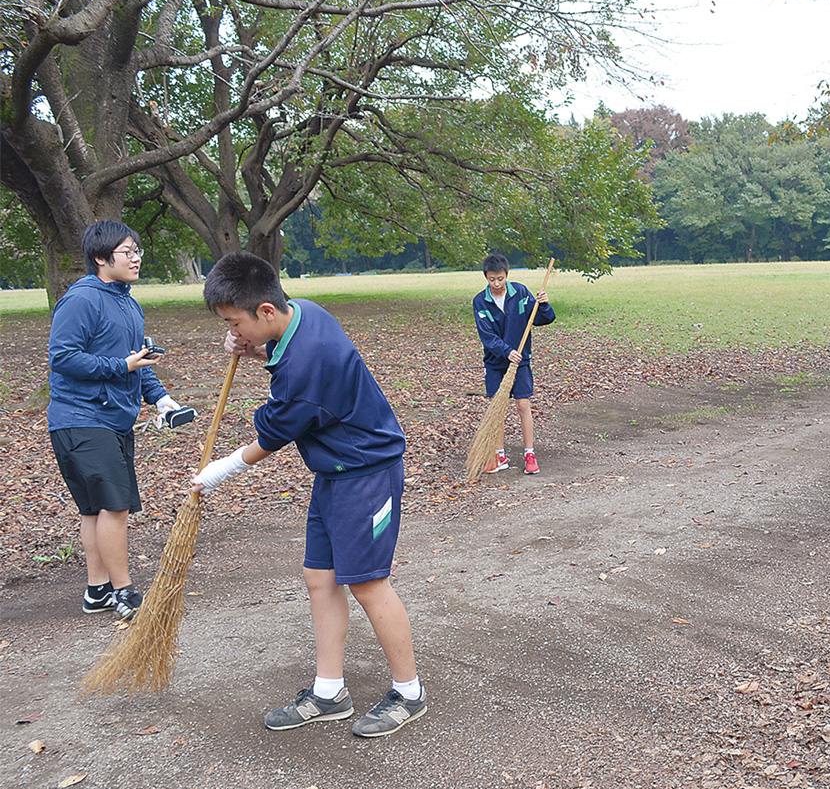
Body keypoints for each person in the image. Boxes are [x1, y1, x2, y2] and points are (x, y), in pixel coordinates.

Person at [191, 252, 423, 739]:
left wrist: (222, 470)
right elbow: (286, 364)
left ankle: (409, 692)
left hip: (367, 475)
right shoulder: (304, 312)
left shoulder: (304, 368)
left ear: (265, 310)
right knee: (320, 577)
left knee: (368, 583)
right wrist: (252, 348)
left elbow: (273, 433)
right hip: (333, 473)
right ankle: (329, 691)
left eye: (235, 323)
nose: (233, 331)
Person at [48, 220, 184, 622]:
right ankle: (124, 592)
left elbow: (136, 362)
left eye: (137, 250)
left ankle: (98, 591)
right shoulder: (81, 299)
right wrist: (120, 365)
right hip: (82, 418)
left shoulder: (128, 303)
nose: (136, 257)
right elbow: (63, 357)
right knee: (114, 506)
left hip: (110, 419)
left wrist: (162, 399)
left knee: (95, 510)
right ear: (100, 258)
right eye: (127, 252)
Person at [472, 254, 556, 474]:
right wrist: (507, 352)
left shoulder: (520, 292)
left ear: (506, 275)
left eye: (500, 278)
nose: (496, 283)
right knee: (497, 408)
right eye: (492, 279)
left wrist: (543, 305)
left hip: (521, 361)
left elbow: (543, 319)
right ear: (486, 277)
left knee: (522, 405)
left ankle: (529, 454)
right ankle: (499, 455)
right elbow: (487, 337)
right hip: (495, 362)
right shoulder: (480, 301)